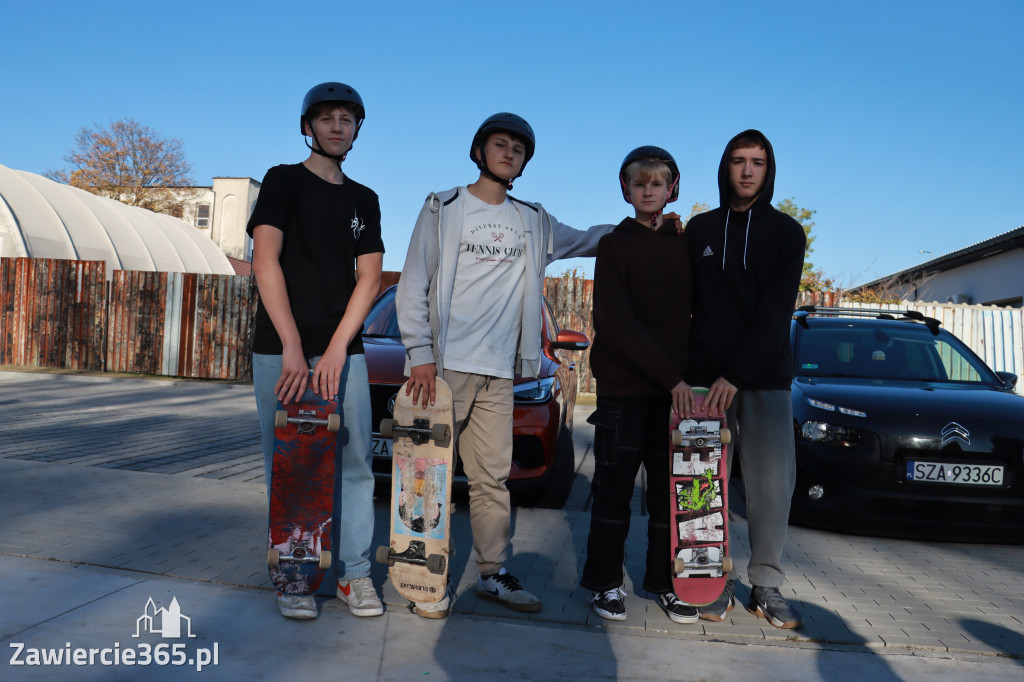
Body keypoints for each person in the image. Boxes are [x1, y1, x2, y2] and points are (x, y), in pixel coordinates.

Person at [395, 112, 613, 619]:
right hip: (445, 369)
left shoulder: (532, 220)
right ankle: (426, 575)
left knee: (492, 478)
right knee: (429, 474)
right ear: (479, 152)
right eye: (500, 144)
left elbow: (590, 239)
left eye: (519, 148)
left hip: (499, 372)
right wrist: (419, 356)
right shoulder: (443, 208)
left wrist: (642, 225)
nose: (509, 153)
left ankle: (493, 573)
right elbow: (413, 283)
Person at [248, 82, 384, 620]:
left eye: (346, 119)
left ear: (356, 130)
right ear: (308, 126)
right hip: (279, 351)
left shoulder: (363, 199)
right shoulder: (283, 181)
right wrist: (293, 348)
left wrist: (334, 351)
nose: (335, 126)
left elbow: (369, 278)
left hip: (341, 354)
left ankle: (353, 576)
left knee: (354, 465)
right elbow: (265, 261)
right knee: (291, 465)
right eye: (326, 117)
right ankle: (295, 576)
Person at [684, 129, 805, 629]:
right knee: (701, 484)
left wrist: (736, 374)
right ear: (726, 167)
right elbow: (683, 306)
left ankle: (766, 586)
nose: (748, 170)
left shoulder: (786, 233)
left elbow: (776, 313)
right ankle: (709, 579)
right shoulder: (699, 230)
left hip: (764, 379)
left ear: (768, 169)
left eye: (758, 162)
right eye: (739, 161)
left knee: (771, 485)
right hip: (702, 382)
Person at [580, 146, 698, 624]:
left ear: (672, 189)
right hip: (625, 392)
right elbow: (616, 323)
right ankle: (606, 583)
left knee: (670, 496)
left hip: (676, 397)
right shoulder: (613, 245)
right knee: (612, 491)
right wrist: (672, 378)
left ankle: (664, 584)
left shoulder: (684, 245)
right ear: (625, 189)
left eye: (658, 183)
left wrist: (685, 381)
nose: (648, 190)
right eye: (639, 183)